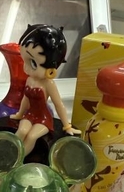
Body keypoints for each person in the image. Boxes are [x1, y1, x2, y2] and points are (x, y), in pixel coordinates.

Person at [10, 24, 81, 156]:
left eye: (33, 63)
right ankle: (10, 155)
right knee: (22, 132)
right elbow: (25, 99)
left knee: (32, 136)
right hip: (29, 115)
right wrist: (20, 114)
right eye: (24, 61)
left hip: (43, 119)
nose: (26, 68)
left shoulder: (49, 84)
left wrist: (67, 126)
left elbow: (58, 104)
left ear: (51, 69)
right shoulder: (29, 80)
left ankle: (19, 159)